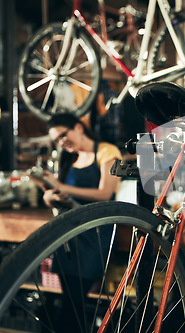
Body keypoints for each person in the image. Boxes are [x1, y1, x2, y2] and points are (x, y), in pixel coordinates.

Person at [41, 113, 122, 332]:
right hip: (68, 235)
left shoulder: (107, 151)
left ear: (78, 127)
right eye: (56, 140)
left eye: (62, 135)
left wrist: (63, 187)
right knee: (68, 298)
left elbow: (105, 194)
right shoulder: (69, 159)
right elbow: (55, 194)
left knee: (73, 301)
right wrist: (49, 196)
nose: (61, 142)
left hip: (94, 234)